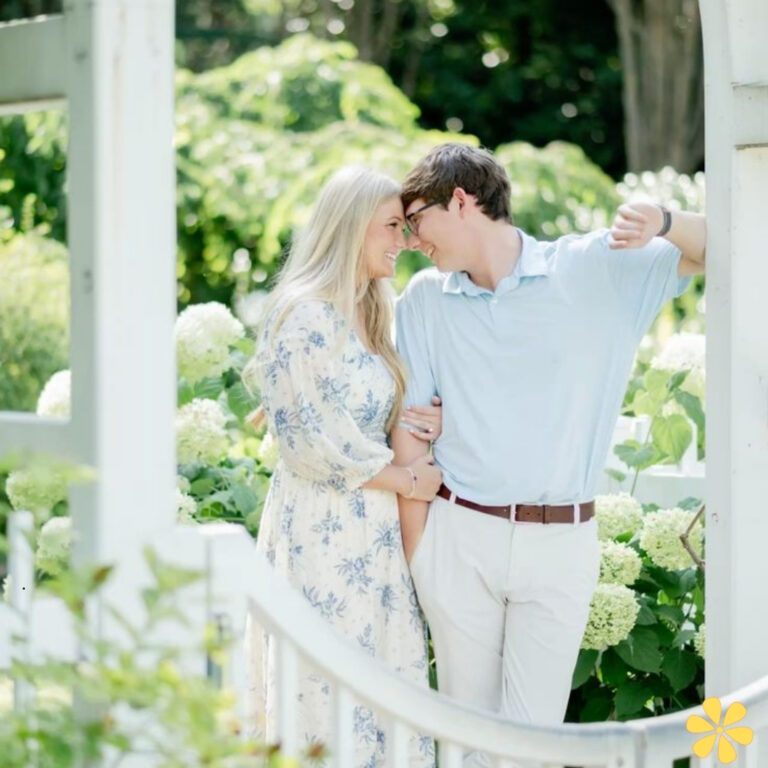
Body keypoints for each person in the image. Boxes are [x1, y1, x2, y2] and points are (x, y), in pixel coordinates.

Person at [392, 143, 706, 765]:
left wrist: (665, 221)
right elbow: (411, 429)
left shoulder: (595, 267)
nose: (410, 239)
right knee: (464, 741)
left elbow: (734, 244)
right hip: (460, 535)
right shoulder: (426, 299)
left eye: (416, 220)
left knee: (533, 743)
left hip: (561, 539)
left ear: (460, 200)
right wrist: (421, 557)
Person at [245, 165, 443, 767]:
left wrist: (420, 424)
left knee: (381, 691)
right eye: (390, 226)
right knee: (323, 697)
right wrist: (408, 480)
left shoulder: (372, 312)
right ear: (351, 227)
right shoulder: (301, 316)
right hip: (321, 534)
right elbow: (310, 443)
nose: (403, 241)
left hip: (375, 536)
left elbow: (366, 417)